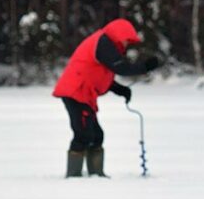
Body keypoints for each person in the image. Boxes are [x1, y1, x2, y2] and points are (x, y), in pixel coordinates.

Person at [52, 19, 159, 177]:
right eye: (125, 39)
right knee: (83, 134)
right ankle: (73, 176)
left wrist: (119, 89)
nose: (126, 43)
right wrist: (144, 67)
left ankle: (96, 175)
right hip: (76, 92)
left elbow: (98, 74)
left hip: (84, 94)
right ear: (119, 34)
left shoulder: (105, 44)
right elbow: (120, 67)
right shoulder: (103, 43)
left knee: (96, 136)